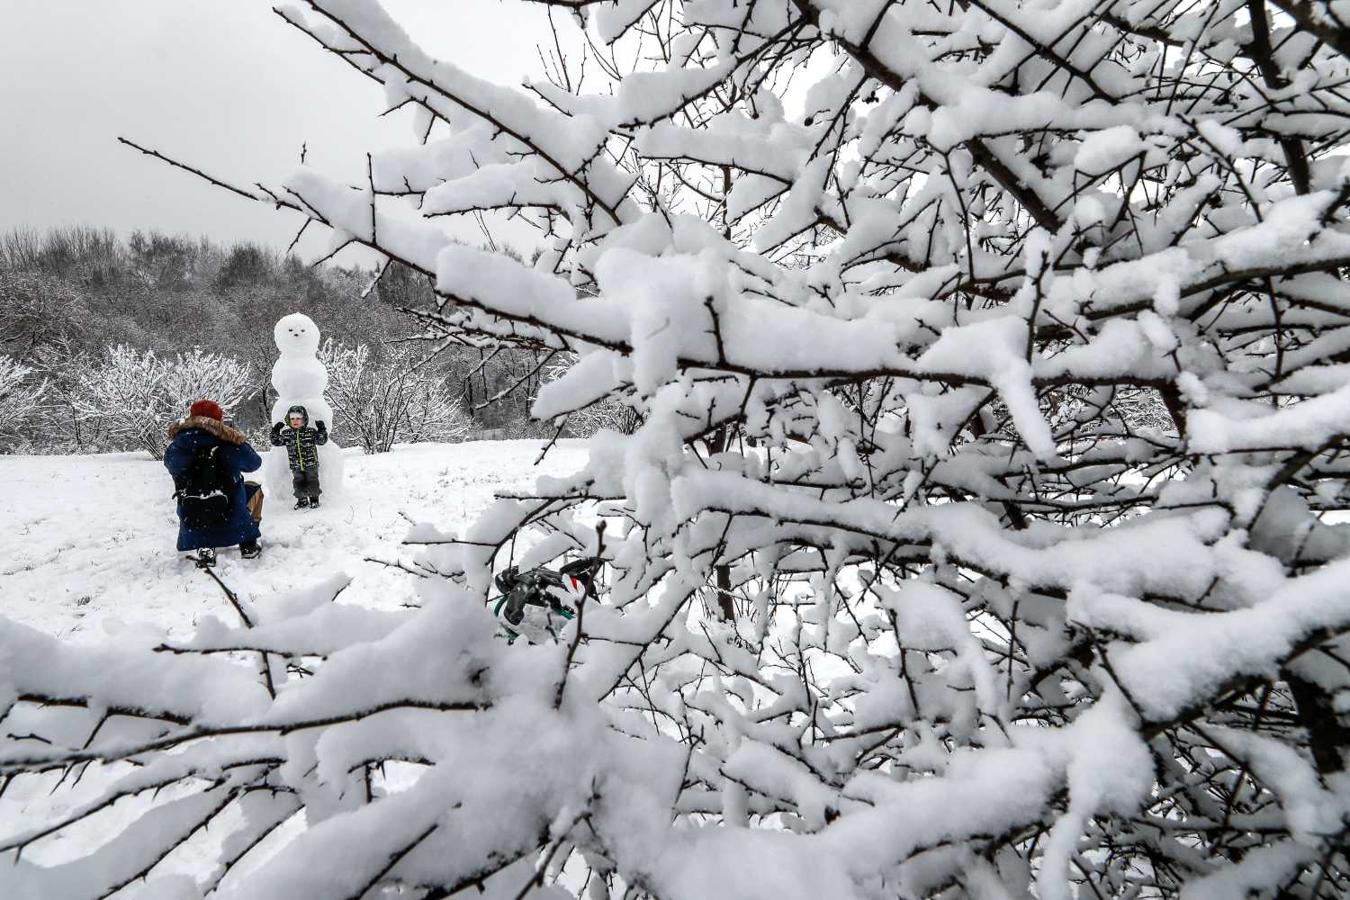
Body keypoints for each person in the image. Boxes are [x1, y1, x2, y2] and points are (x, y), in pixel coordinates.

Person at [164, 399, 263, 566]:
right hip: (230, 515)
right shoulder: (228, 442)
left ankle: (205, 546)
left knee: (201, 502)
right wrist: (236, 438)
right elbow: (254, 463)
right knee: (254, 489)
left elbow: (171, 465)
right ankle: (248, 543)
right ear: (219, 419)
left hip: (193, 518)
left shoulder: (178, 447)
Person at [270, 404, 328, 509]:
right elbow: (276, 441)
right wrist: (275, 430)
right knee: (298, 482)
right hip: (295, 465)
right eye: (292, 418)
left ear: (304, 419)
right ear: (289, 420)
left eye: (298, 418)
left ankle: (314, 500)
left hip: (311, 464)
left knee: (312, 481)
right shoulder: (287, 434)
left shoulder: (310, 432)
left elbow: (321, 441)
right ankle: (302, 500)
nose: (295, 421)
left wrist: (321, 429)